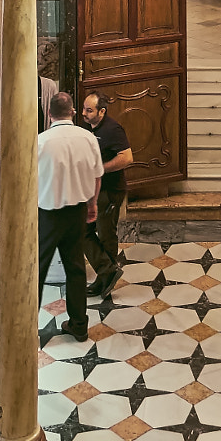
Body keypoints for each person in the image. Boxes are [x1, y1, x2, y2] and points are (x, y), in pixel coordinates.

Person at [37, 90, 103, 343]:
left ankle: (25, 328)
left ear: (49, 114)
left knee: (38, 271)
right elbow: (97, 175)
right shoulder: (87, 138)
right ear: (73, 112)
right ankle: (79, 325)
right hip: (77, 211)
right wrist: (92, 204)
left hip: (47, 214)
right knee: (75, 269)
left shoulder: (41, 141)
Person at [81, 91, 133, 301]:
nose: (84, 113)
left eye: (89, 110)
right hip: (93, 191)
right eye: (84, 109)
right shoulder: (87, 127)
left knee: (106, 234)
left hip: (110, 191)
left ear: (102, 112)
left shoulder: (113, 129)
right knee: (83, 230)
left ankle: (105, 279)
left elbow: (127, 158)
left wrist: (100, 169)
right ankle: (107, 272)